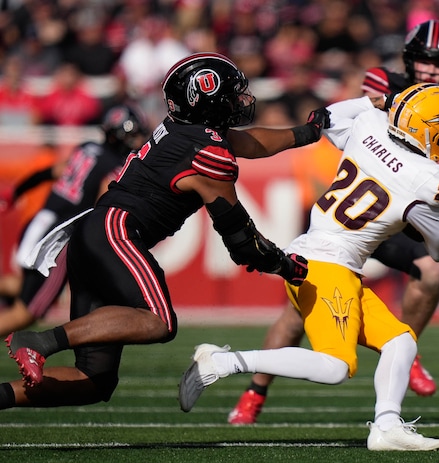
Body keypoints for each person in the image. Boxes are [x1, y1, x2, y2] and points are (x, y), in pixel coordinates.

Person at [227, 18, 439, 425]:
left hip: (398, 217)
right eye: (425, 61)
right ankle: (254, 392)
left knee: (431, 275)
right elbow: (350, 117)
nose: (433, 69)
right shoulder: (387, 91)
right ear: (409, 60)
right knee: (297, 318)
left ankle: (407, 352)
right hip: (361, 219)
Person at [0, 52, 324, 410]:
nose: (240, 100)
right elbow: (242, 242)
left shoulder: (186, 132)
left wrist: (307, 133)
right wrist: (287, 267)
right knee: (158, 320)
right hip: (116, 232)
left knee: (94, 382)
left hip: (95, 233)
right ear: (208, 99)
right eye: (232, 93)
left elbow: (251, 143)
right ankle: (40, 342)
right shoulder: (208, 154)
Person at [179, 82, 439, 451]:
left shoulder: (371, 124)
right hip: (328, 269)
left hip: (316, 257)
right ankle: (223, 362)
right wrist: (419, 216)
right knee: (335, 368)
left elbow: (327, 117)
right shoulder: (432, 179)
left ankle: (387, 426)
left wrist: (373, 101)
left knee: (400, 341)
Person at [0, 104, 148, 337]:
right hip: (58, 237)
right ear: (122, 136)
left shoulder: (87, 148)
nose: (139, 141)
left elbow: (51, 172)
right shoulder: (113, 166)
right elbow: (103, 205)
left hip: (39, 223)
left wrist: (16, 192)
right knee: (26, 313)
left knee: (24, 288)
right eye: (135, 135)